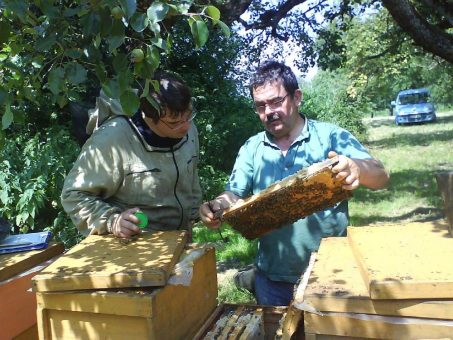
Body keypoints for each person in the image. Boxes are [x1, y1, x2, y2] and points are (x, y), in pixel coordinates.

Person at [199, 60, 390, 306]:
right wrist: (216, 205)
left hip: (331, 274)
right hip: (272, 278)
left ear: (296, 97)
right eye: (260, 106)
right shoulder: (251, 147)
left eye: (276, 101)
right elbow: (233, 194)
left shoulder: (330, 136)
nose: (268, 111)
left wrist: (356, 168)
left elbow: (381, 176)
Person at [61, 72, 202, 239]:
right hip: (133, 248)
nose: (186, 127)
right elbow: (74, 195)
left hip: (180, 241)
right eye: (174, 123)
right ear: (149, 116)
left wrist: (199, 213)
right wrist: (112, 221)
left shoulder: (187, 126)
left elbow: (191, 178)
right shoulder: (113, 137)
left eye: (189, 116)